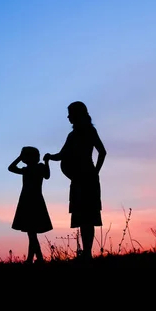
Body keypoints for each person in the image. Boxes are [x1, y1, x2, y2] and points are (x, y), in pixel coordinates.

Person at [44, 101, 106, 260]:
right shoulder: (72, 135)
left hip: (86, 178)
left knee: (88, 216)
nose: (68, 117)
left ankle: (87, 253)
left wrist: (95, 172)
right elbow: (62, 154)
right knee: (83, 216)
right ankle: (86, 254)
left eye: (70, 114)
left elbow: (102, 152)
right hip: (79, 178)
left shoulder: (89, 131)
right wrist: (51, 157)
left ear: (78, 115)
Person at [8, 146, 52, 264]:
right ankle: (33, 258)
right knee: (31, 233)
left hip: (30, 201)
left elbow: (11, 167)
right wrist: (46, 162)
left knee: (31, 233)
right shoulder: (32, 168)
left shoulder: (31, 169)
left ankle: (35, 259)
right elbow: (10, 168)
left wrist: (19, 158)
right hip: (31, 201)